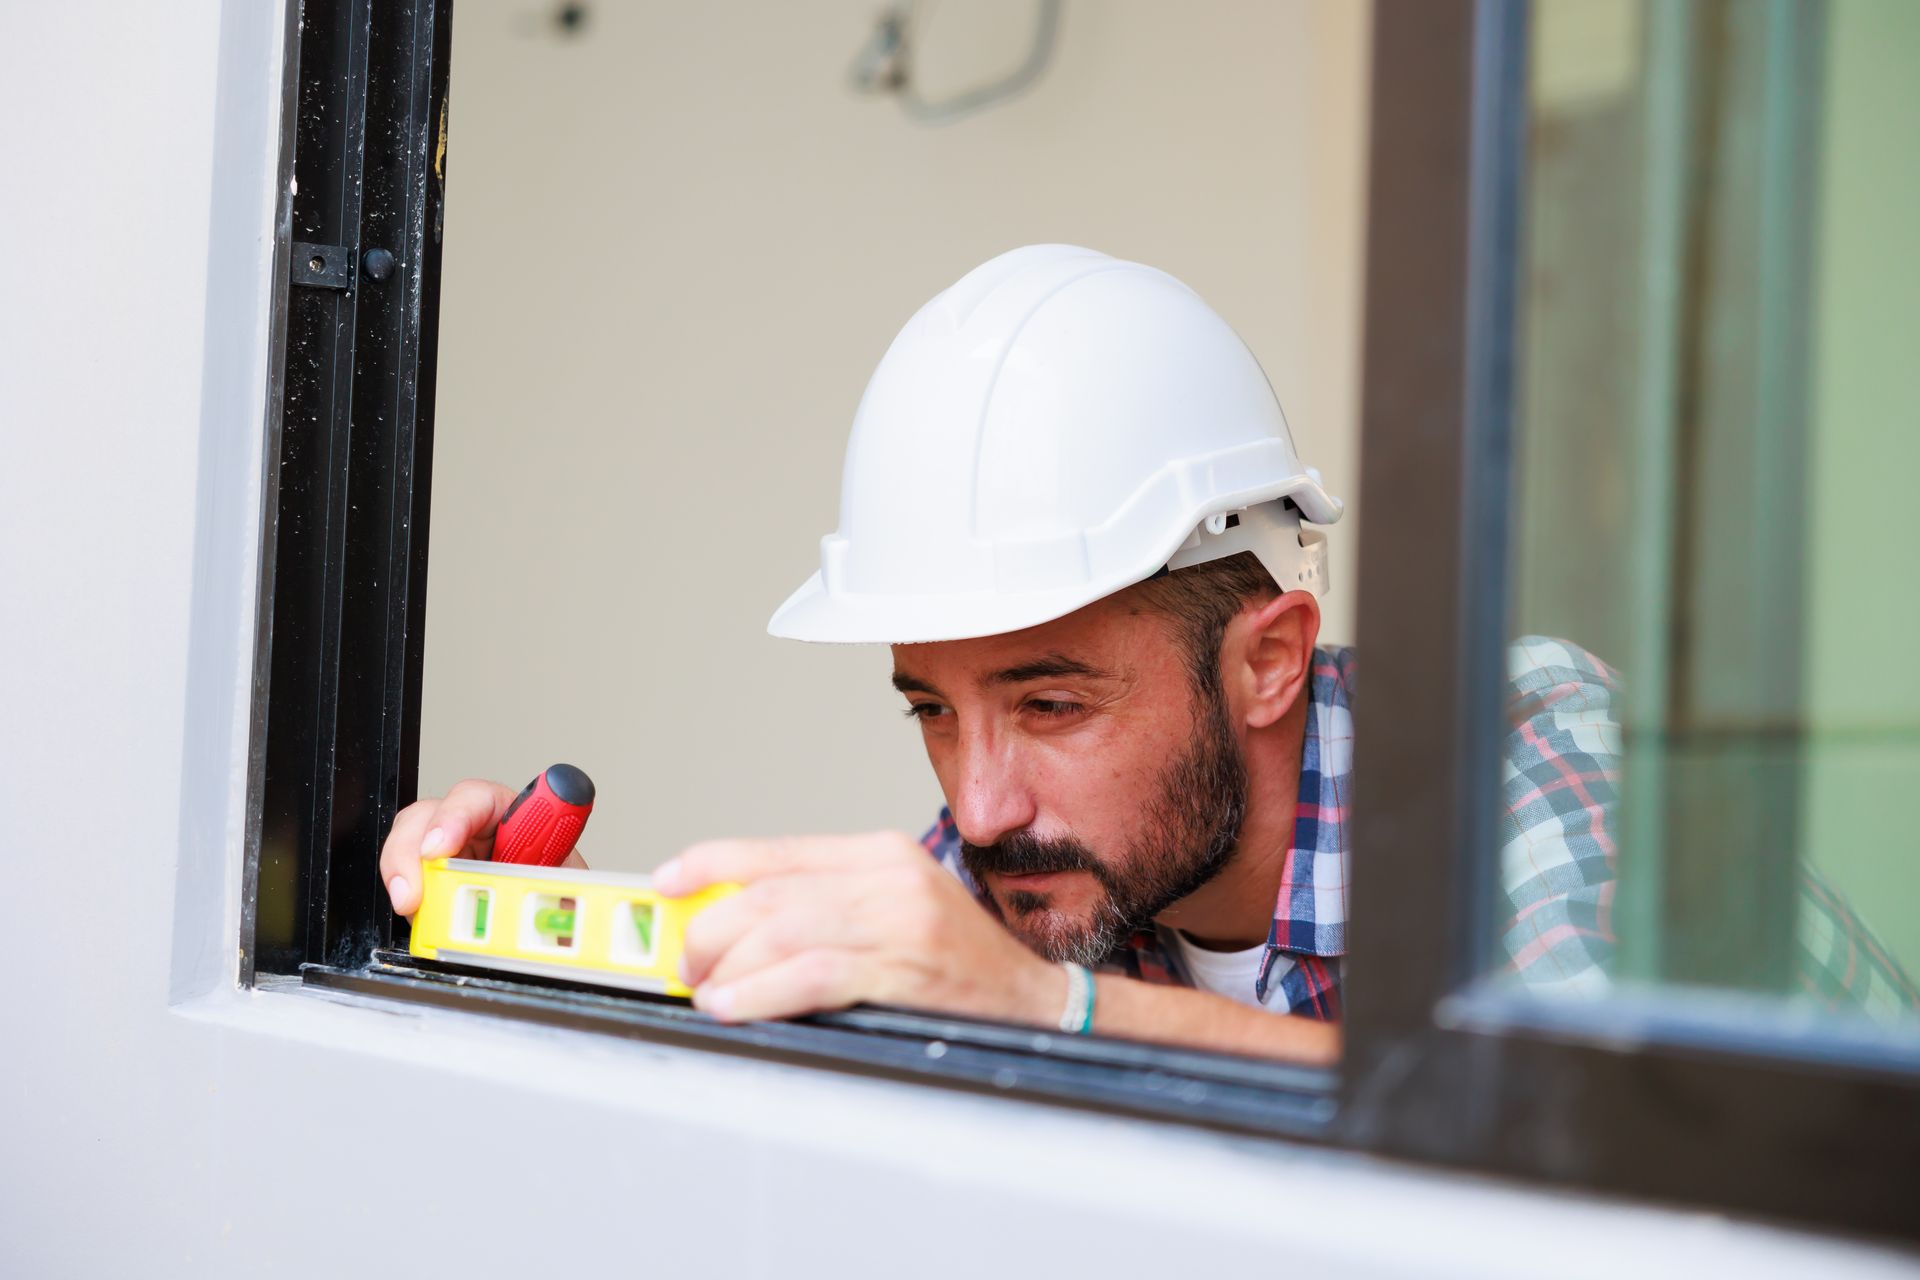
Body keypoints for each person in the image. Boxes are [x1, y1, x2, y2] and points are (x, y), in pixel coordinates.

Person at [379, 246, 1916, 1064]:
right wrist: (511, 929)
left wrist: (1057, 1013)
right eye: (934, 711)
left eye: (1050, 701)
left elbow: (1581, 1135)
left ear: (1268, 658)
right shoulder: (1026, 860)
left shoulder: (1520, 746)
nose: (979, 806)